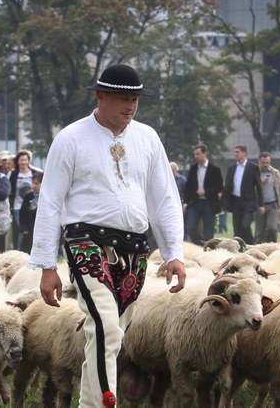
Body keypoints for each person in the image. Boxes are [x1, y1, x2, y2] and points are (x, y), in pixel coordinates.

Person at [29, 63, 185, 408]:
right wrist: (46, 264)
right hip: (85, 242)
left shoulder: (147, 138)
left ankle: (89, 405)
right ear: (101, 96)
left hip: (134, 248)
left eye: (135, 99)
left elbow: (164, 199)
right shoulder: (71, 138)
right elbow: (51, 200)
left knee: (109, 338)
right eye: (122, 98)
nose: (130, 106)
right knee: (105, 327)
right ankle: (106, 402)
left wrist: (175, 253)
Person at [183, 144, 223, 244]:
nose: (196, 156)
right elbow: (188, 186)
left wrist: (205, 192)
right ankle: (200, 244)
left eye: (198, 154)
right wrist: (185, 202)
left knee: (208, 230)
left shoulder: (214, 169)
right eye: (195, 154)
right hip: (195, 202)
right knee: (190, 227)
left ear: (205, 153)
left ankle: (208, 249)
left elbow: (219, 187)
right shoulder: (193, 168)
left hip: (209, 202)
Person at [225, 145, 261, 244]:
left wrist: (261, 204)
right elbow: (227, 186)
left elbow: (258, 186)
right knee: (237, 228)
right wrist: (225, 203)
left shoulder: (253, 167)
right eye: (235, 152)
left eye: (237, 152)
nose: (235, 154)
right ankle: (239, 249)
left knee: (245, 226)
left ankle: (251, 245)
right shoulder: (232, 168)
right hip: (236, 202)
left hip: (248, 202)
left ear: (244, 153)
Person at [9, 151, 40, 251]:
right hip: (18, 205)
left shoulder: (35, 171)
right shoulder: (13, 174)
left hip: (32, 204)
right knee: (21, 229)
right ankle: (19, 249)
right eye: (21, 160)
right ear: (17, 161)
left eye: (25, 160)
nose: (23, 162)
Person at [255, 151, 280, 243]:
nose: (265, 165)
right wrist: (260, 183)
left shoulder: (276, 173)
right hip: (259, 205)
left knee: (272, 227)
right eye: (263, 163)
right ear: (259, 162)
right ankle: (258, 248)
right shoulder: (255, 172)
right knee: (260, 230)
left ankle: (272, 246)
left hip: (272, 204)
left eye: (267, 162)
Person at [18, 170, 43, 253]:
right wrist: (24, 228)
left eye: (36, 183)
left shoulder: (48, 198)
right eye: (33, 183)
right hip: (29, 231)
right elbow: (22, 213)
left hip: (42, 232)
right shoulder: (28, 197)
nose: (33, 186)